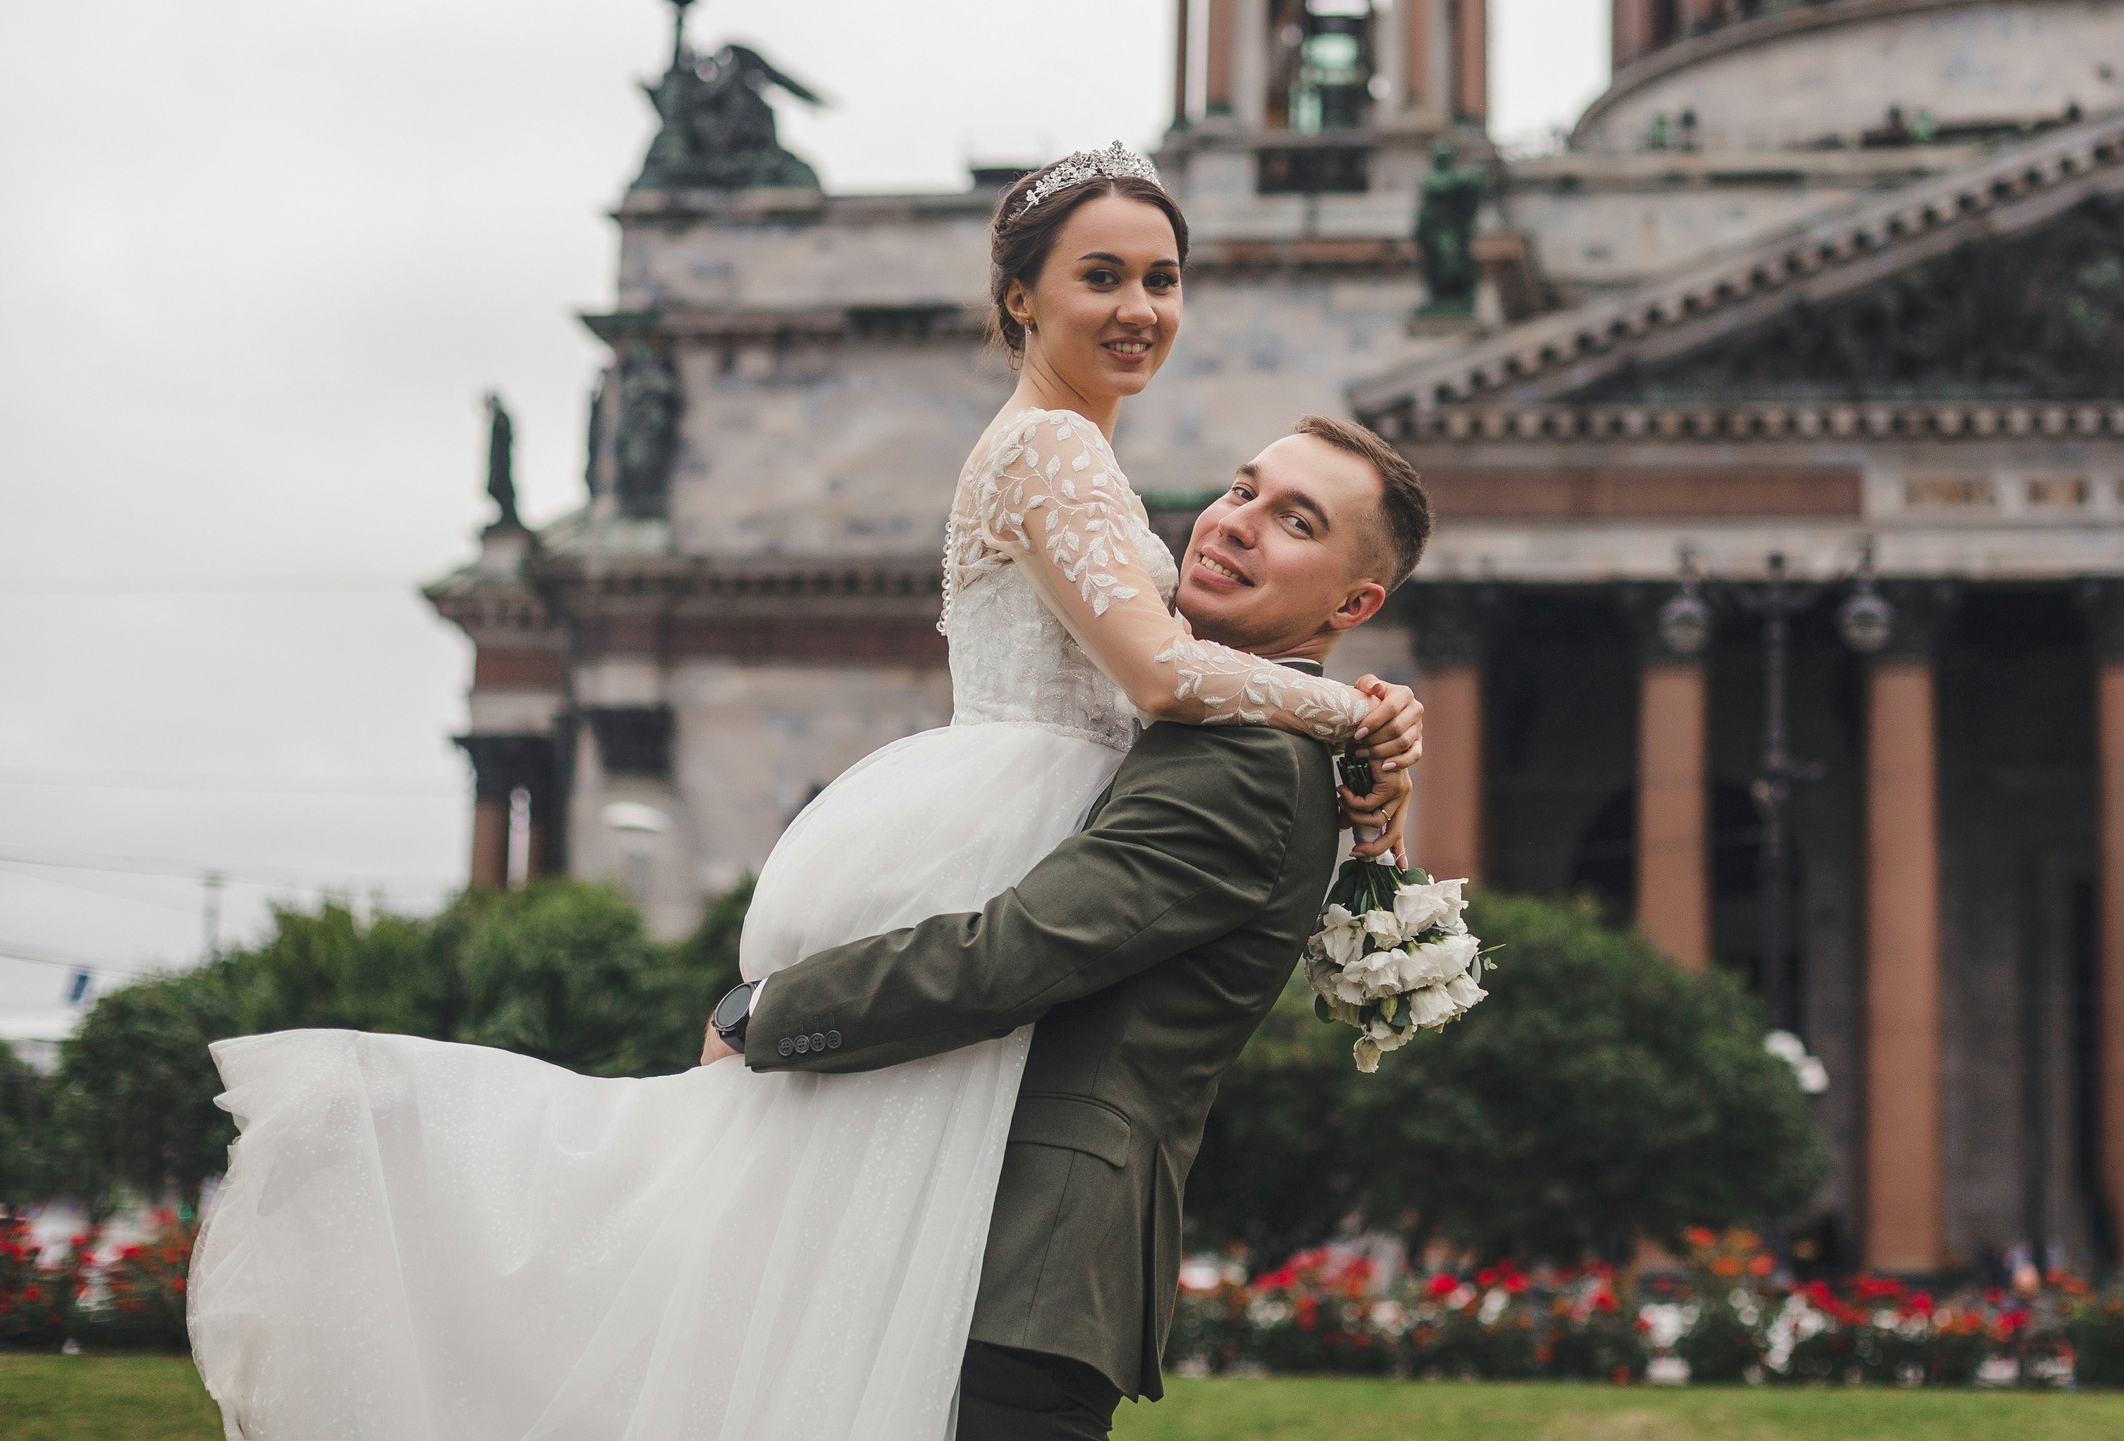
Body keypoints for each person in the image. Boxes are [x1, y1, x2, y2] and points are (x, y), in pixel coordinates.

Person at [187, 144, 1425, 1440]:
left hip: (1010, 1143)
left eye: (1163, 278)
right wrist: (1360, 709)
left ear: (1354, 599)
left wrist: (778, 1011)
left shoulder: (1227, 717)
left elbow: (1049, 913)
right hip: (982, 972)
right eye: (1101, 274)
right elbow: (1159, 682)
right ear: (1018, 296)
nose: (1140, 307)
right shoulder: (1065, 462)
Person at [702, 410, 1438, 1439]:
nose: (1237, 524)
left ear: (1354, 601)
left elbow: (1018, 954)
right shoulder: (1223, 729)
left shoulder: (1249, 766)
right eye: (1241, 490)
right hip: (987, 1238)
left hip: (1028, 1264)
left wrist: (766, 1015)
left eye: (1295, 522)